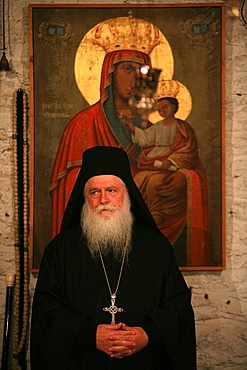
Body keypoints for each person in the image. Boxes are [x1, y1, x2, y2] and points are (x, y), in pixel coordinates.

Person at [31, 146, 197, 370]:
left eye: (111, 190)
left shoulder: (156, 248)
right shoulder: (61, 250)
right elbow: (47, 310)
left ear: (126, 194)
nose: (103, 200)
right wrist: (89, 335)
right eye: (94, 192)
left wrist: (147, 334)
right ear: (85, 197)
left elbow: (177, 306)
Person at [49, 16, 161, 239]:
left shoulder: (150, 128)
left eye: (141, 71)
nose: (135, 78)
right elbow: (71, 186)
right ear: (109, 74)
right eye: (128, 69)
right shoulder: (82, 124)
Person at [124, 79, 210, 266]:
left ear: (174, 108)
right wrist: (132, 129)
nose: (163, 111)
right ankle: (143, 216)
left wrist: (170, 161)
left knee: (155, 182)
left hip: (172, 163)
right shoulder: (157, 127)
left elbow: (188, 150)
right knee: (139, 178)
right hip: (155, 161)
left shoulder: (183, 128)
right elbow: (146, 139)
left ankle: (157, 214)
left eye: (166, 108)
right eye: (160, 108)